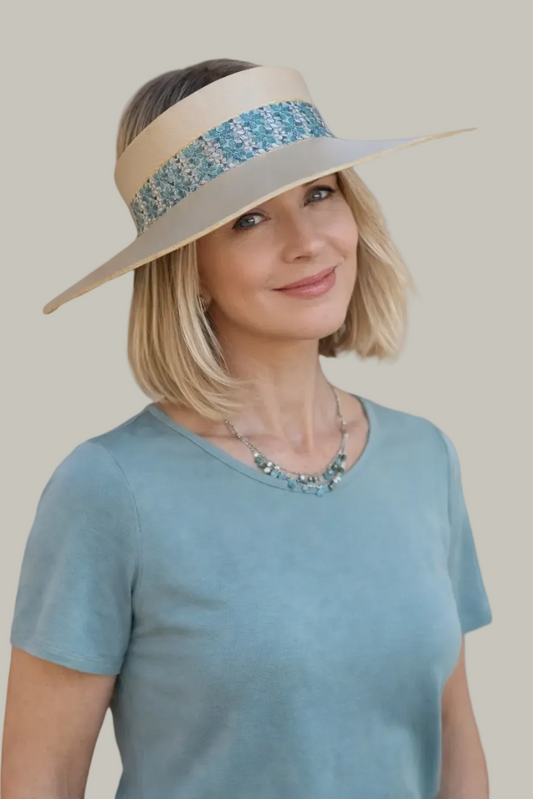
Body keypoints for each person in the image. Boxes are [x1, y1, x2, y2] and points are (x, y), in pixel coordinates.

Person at [3, 59, 492, 799]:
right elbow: (38, 780)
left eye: (318, 194)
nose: (306, 242)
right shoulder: (109, 489)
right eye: (250, 217)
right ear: (187, 265)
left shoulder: (424, 457)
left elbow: (453, 738)